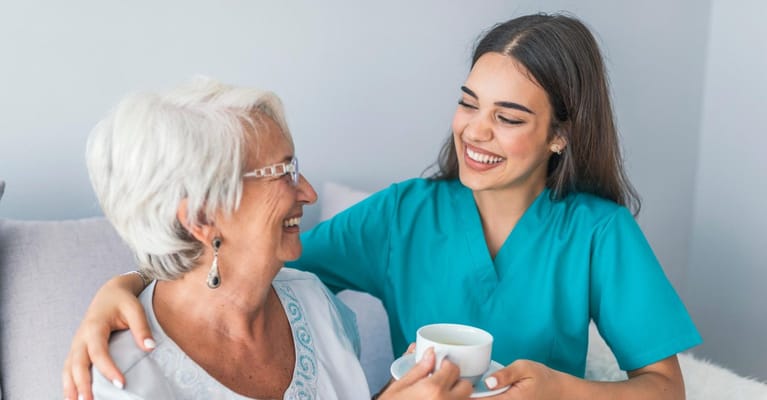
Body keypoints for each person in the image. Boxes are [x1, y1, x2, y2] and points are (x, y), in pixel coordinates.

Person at [64, 13, 701, 399]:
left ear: (561, 134)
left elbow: (664, 387)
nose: (475, 132)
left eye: (507, 118)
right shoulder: (404, 216)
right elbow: (253, 257)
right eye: (468, 103)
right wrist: (126, 283)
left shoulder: (599, 234)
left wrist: (563, 391)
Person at [67, 77, 472, 400]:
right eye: (283, 173)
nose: (308, 193)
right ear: (203, 216)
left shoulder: (314, 303)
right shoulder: (119, 379)